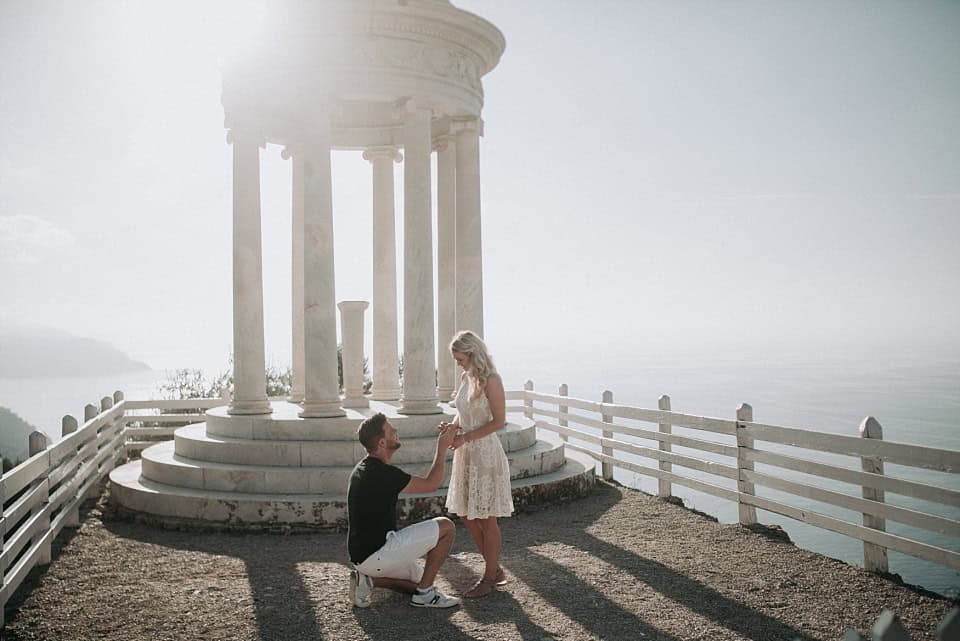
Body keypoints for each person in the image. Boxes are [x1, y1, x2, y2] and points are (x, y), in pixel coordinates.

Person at [347, 412, 461, 608]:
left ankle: (369, 580)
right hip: (377, 553)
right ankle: (425, 595)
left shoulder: (363, 468)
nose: (396, 431)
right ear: (382, 443)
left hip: (363, 556)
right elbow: (432, 483)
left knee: (420, 580)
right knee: (447, 527)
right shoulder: (383, 473)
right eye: (391, 430)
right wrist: (442, 447)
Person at [442, 330, 515, 598]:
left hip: (485, 454)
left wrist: (465, 437)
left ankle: (488, 578)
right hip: (465, 453)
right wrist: (452, 427)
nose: (458, 364)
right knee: (465, 512)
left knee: (486, 517)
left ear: (473, 354)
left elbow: (499, 422)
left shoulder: (492, 380)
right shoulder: (465, 377)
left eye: (460, 359)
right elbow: (463, 412)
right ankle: (494, 569)